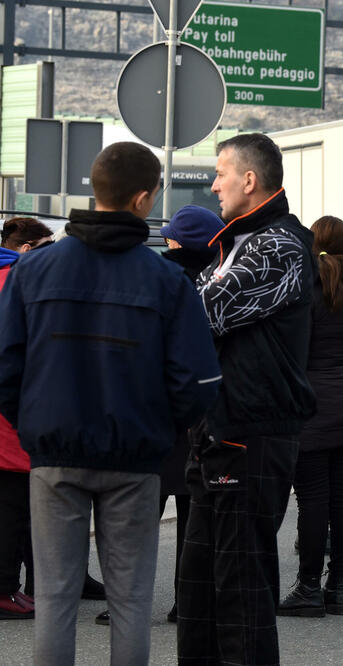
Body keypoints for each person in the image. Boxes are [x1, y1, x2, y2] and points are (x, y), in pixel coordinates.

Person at [0, 142, 221, 663]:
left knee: (55, 600)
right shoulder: (167, 279)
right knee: (130, 602)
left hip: (54, 454)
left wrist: (33, 426)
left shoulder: (33, 271)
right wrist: (161, 430)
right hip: (135, 458)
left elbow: (6, 367)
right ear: (144, 198)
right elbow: (197, 380)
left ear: (94, 189)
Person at [177, 133, 316, 666]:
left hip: (252, 432)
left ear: (250, 180)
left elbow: (199, 315)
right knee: (198, 590)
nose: (214, 185)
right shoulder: (238, 242)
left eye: (221, 174)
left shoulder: (279, 246)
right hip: (217, 431)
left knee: (240, 590)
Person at [278, 216, 343, 618]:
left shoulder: (309, 290)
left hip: (312, 408)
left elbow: (295, 352)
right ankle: (337, 588)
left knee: (312, 500)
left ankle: (307, 587)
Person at [157, 205, 225, 624]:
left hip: (156, 415)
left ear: (178, 242)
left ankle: (125, 602)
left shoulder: (159, 280)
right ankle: (187, 601)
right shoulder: (223, 280)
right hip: (200, 414)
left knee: (138, 518)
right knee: (194, 519)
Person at [0, 217, 53, 621]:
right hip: (12, 411)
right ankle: (4, 589)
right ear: (28, 248)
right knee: (13, 507)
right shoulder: (16, 280)